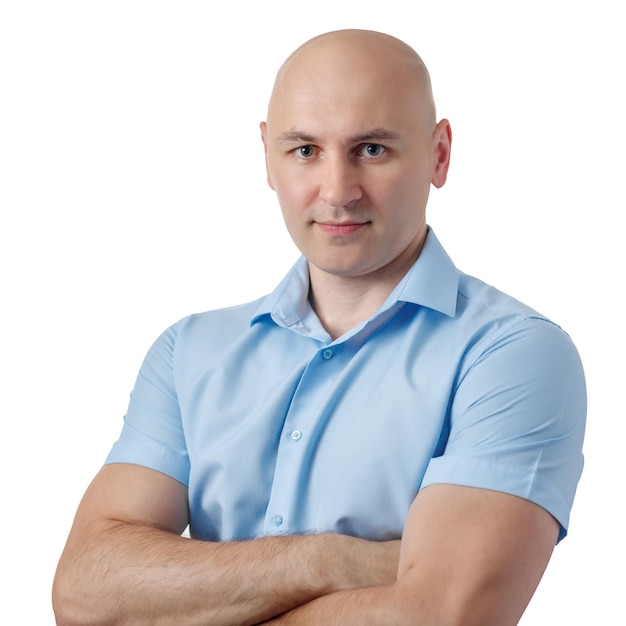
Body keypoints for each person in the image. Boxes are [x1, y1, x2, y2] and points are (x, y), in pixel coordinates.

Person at [52, 28, 586, 625]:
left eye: (373, 149)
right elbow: (85, 596)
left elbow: (441, 616)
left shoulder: (512, 355)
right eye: (305, 150)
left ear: (439, 154)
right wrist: (337, 561)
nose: (337, 191)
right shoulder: (188, 353)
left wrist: (181, 606)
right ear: (267, 157)